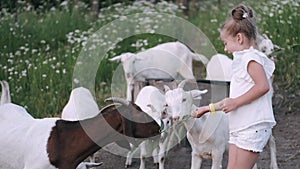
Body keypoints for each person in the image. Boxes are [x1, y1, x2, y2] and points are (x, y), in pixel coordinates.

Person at [191, 4, 276, 169]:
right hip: (239, 126)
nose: (225, 48)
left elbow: (263, 86)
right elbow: (231, 100)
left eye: (225, 43)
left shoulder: (251, 58)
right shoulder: (242, 60)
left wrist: (236, 102)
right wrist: (206, 109)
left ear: (239, 38)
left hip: (252, 127)